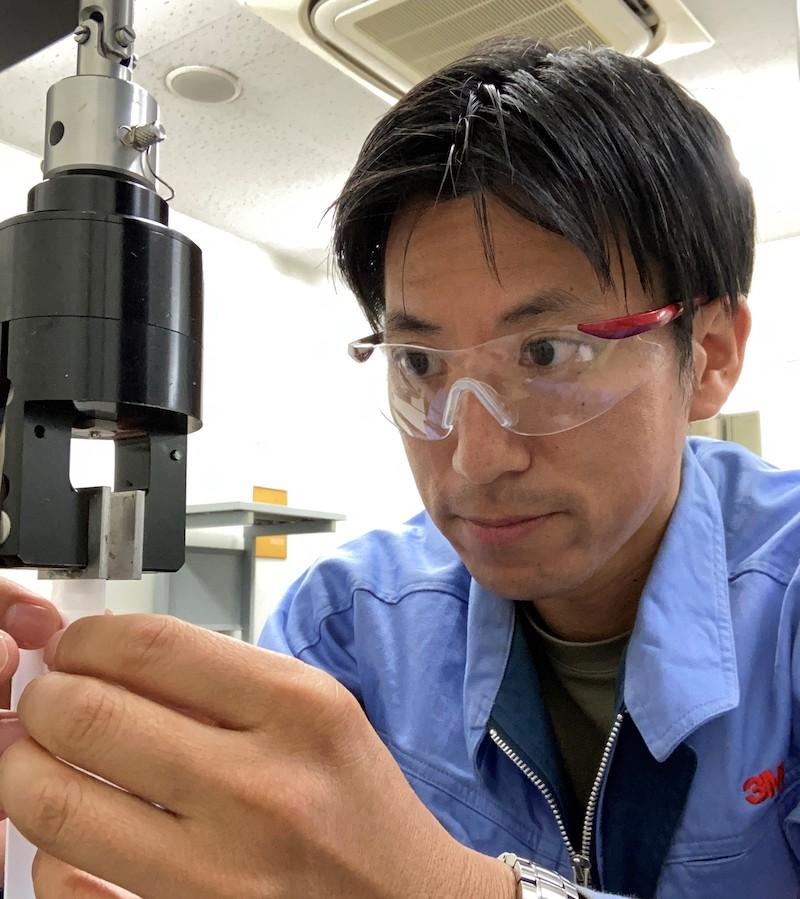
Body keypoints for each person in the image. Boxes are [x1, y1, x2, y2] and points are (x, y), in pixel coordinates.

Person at [0, 36, 797, 899]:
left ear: (709, 353)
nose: (475, 457)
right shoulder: (344, 626)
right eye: (420, 363)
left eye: (546, 351)